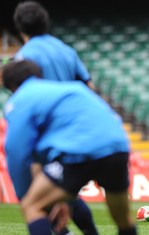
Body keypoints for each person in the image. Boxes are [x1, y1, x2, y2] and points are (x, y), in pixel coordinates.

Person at [1, 59, 137, 235]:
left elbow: (17, 151)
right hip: (117, 147)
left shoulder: (19, 100)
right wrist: (60, 199)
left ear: (11, 86)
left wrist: (24, 194)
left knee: (32, 206)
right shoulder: (73, 88)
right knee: (122, 218)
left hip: (77, 152)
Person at [12, 1, 97, 234]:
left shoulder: (23, 58)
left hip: (47, 131)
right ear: (45, 22)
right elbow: (88, 85)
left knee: (35, 197)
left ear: (20, 26)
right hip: (76, 128)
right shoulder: (65, 50)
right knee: (65, 192)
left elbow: (25, 100)